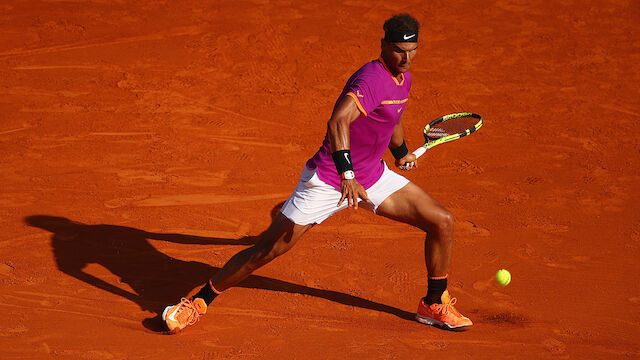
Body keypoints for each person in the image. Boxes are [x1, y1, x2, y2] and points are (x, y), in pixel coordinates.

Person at [162, 13, 472, 333]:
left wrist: (400, 152)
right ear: (383, 46)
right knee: (267, 250)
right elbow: (338, 121)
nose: (406, 58)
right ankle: (197, 302)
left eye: (412, 51)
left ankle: (434, 303)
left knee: (441, 221)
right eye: (398, 50)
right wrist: (347, 175)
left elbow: (392, 117)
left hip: (372, 176)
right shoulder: (371, 79)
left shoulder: (403, 77)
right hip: (328, 179)